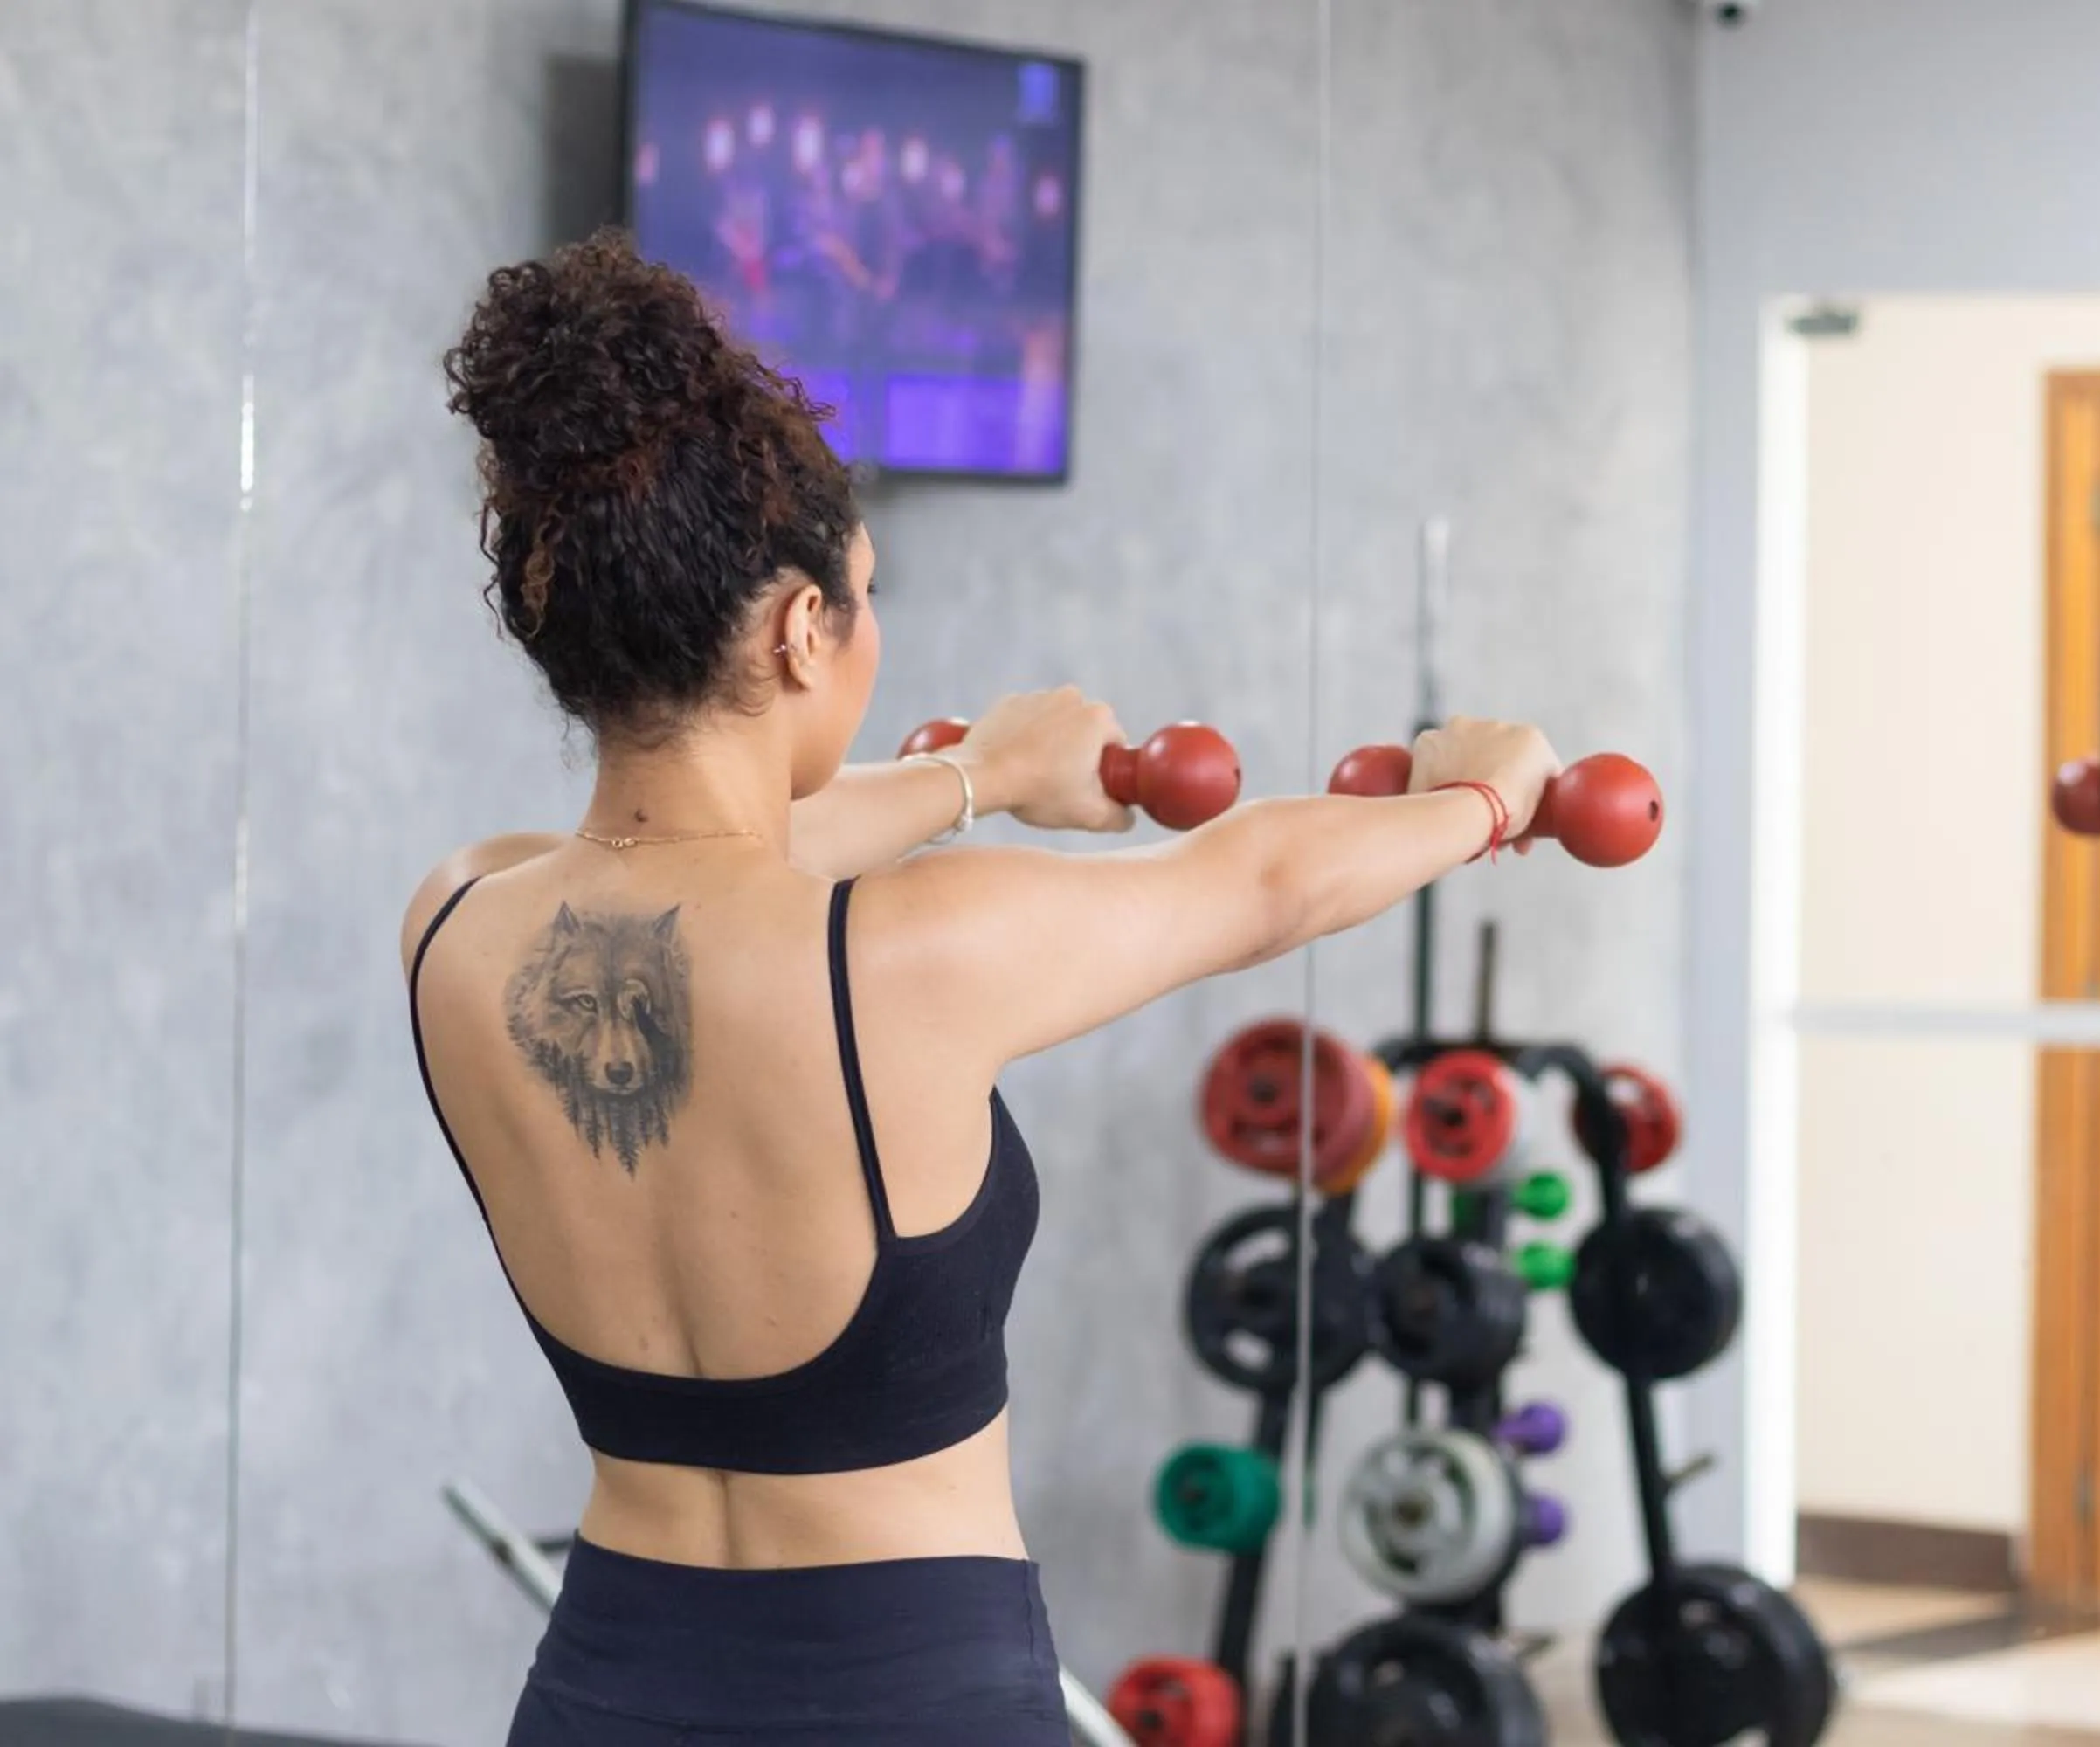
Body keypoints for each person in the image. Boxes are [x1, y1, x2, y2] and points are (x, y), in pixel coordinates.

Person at [406, 230, 1558, 1746]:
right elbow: (1260, 884)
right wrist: (1481, 801)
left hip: (606, 1689)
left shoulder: (461, 920)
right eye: (864, 598)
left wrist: (982, 774)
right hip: (914, 1699)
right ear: (799, 627)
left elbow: (703, 861)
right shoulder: (905, 953)